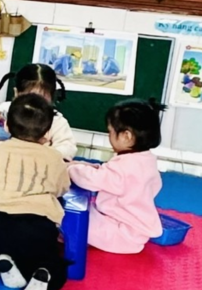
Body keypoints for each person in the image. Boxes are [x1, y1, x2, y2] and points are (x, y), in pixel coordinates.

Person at [0, 94, 70, 290]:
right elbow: (62, 187)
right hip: (38, 225)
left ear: (7, 126)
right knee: (50, 258)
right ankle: (43, 273)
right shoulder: (53, 157)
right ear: (47, 132)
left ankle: (3, 261)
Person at [68, 99, 163, 254]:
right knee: (85, 209)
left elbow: (91, 180)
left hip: (119, 234)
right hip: (134, 233)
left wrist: (72, 169)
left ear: (126, 136)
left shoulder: (125, 167)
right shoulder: (146, 159)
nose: (109, 137)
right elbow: (111, 176)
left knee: (68, 216)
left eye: (110, 132)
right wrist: (88, 165)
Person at [0, 64, 76, 159]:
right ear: (16, 93)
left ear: (52, 98)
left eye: (42, 98)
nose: (35, 104)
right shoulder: (5, 111)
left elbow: (68, 149)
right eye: (29, 97)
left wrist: (42, 152)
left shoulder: (57, 121)